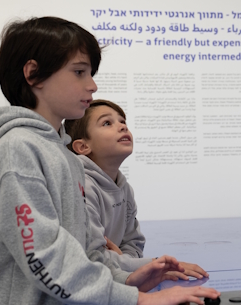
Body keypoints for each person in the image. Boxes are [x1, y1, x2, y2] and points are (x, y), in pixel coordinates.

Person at [0, 17, 219, 305]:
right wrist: (137, 300)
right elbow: (45, 257)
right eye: (79, 72)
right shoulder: (16, 150)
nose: (92, 85)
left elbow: (88, 253)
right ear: (33, 74)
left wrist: (127, 279)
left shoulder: (64, 156)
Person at [64, 100, 208, 279]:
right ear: (83, 147)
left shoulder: (124, 188)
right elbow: (93, 259)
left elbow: (134, 243)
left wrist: (123, 260)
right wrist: (155, 265)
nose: (122, 127)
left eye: (122, 121)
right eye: (107, 123)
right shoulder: (82, 187)